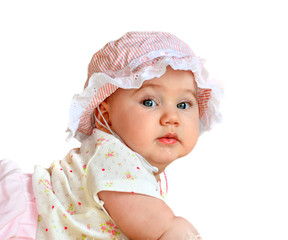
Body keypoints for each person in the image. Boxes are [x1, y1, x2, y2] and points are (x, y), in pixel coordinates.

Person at [0, 31, 222, 239]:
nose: (171, 117)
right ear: (105, 113)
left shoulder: (119, 160)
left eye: (184, 104)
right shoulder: (115, 157)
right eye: (149, 102)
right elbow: (163, 230)